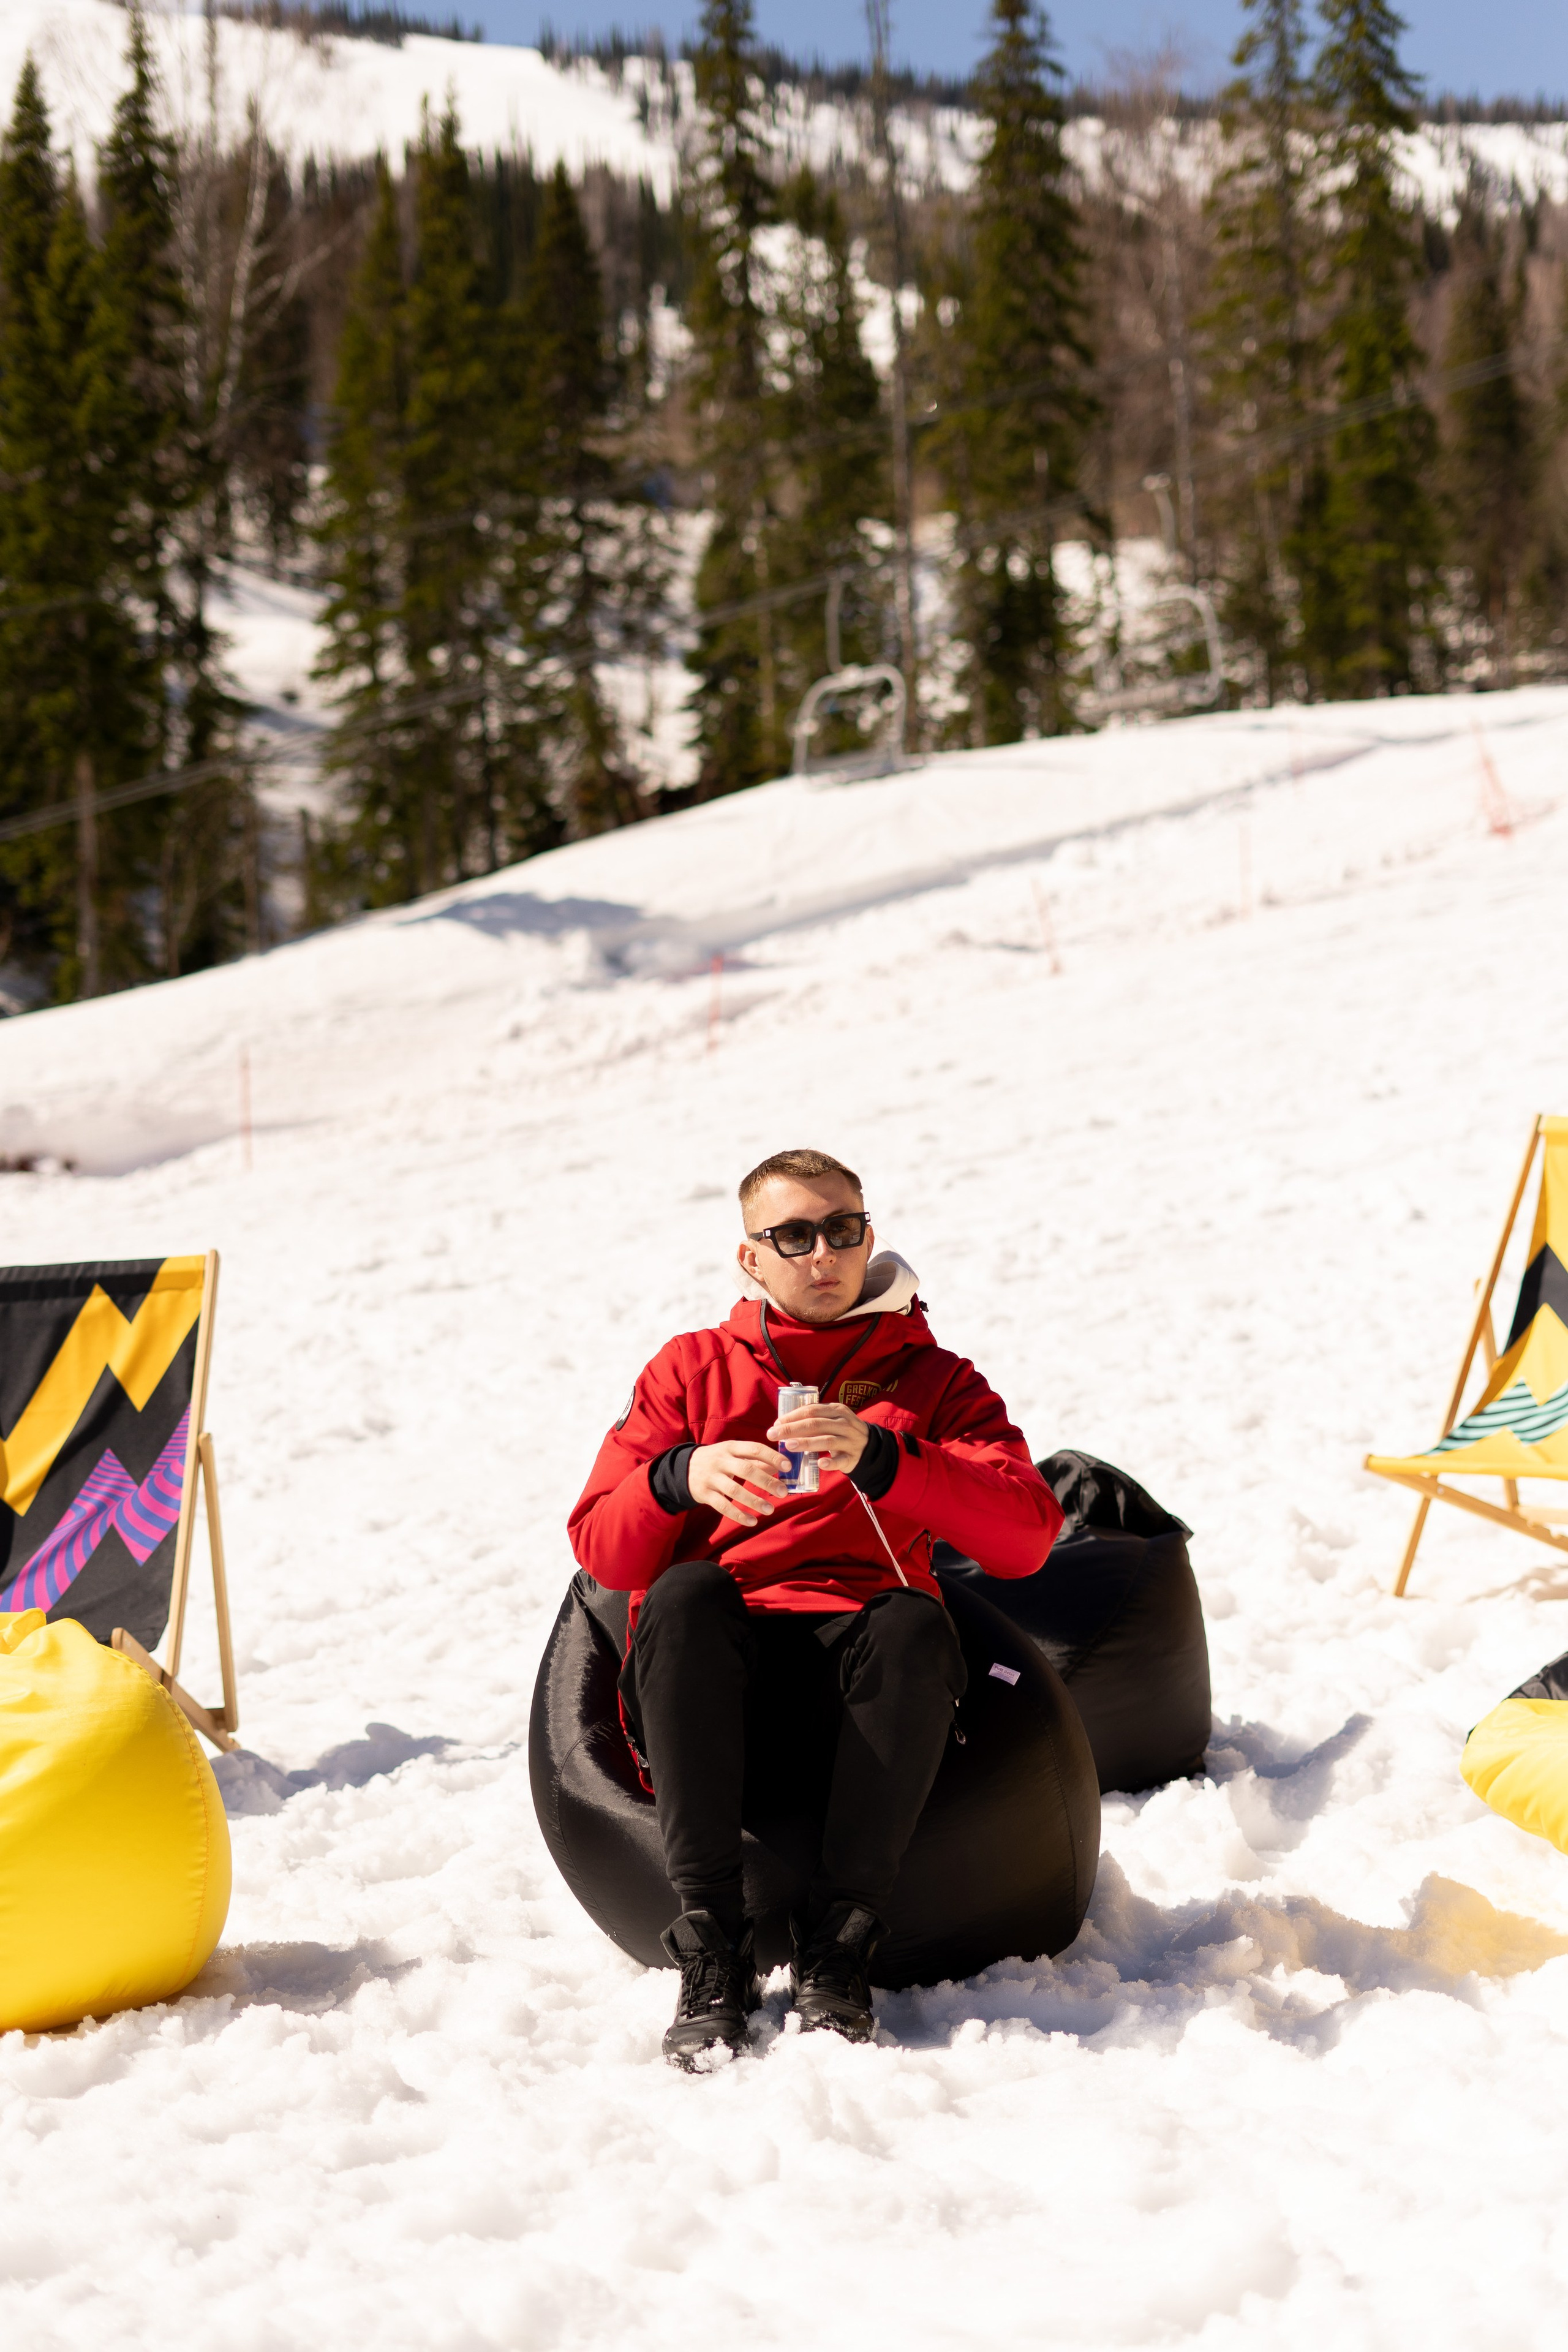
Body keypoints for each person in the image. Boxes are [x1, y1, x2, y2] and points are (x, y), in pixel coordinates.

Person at [568, 1148, 1061, 2066]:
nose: (822, 1252)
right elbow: (600, 1544)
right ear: (751, 1259)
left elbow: (1027, 1538)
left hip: (864, 1682)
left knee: (914, 1619)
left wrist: (885, 1460)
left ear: (869, 1236)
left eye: (843, 1229)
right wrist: (679, 1477)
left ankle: (841, 1945)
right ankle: (713, 1944)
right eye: (793, 1234)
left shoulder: (934, 1380)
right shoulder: (691, 1372)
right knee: (682, 1591)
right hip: (719, 1678)